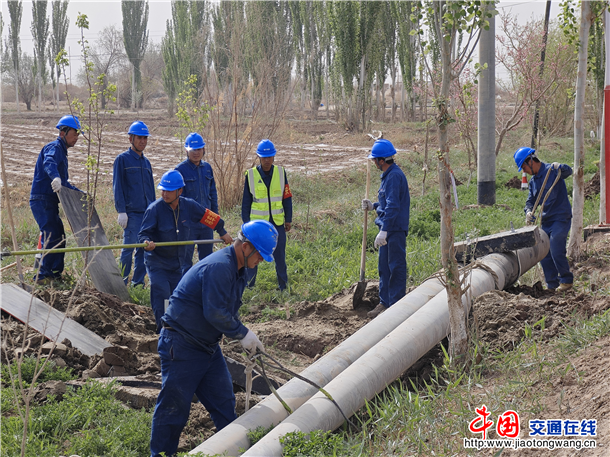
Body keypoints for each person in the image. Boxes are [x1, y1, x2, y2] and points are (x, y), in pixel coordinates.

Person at [149, 220, 278, 457]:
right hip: (182, 344)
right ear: (246, 247)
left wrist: (243, 334)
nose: (261, 261)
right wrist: (242, 334)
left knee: (224, 403)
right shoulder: (219, 267)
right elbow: (215, 312)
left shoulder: (238, 270)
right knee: (174, 408)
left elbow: (227, 310)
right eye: (260, 255)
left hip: (206, 346)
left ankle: (234, 451)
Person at [139, 170, 233, 333]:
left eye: (169, 191)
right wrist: (146, 243)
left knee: (177, 296)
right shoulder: (154, 209)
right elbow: (143, 234)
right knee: (162, 293)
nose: (165, 194)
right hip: (157, 262)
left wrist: (222, 231)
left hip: (178, 263)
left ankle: (175, 328)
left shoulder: (189, 206)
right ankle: (162, 330)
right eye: (163, 190)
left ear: (180, 191)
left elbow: (208, 216)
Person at [29, 115, 82, 285]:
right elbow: (49, 163)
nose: (77, 137)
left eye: (78, 134)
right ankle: (42, 276)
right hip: (41, 199)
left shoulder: (62, 153)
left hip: (50, 202)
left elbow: (64, 184)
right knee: (51, 234)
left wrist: (81, 194)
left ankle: (55, 274)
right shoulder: (54, 147)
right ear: (63, 132)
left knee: (59, 235)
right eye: (74, 133)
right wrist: (55, 177)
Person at [361, 139, 410, 319]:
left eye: (375, 159)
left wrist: (385, 230)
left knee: (395, 267)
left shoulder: (394, 176)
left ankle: (396, 305)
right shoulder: (388, 175)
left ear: (382, 160)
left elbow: (393, 206)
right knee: (384, 267)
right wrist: (373, 206)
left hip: (394, 230)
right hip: (388, 228)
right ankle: (384, 302)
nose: (374, 162)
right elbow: (387, 202)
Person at [514, 147, 574, 292]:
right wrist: (528, 211)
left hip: (560, 217)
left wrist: (561, 166)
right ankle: (552, 285)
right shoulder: (533, 182)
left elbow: (568, 172)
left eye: (524, 167)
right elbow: (530, 201)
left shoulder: (552, 171)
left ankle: (566, 281)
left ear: (530, 161)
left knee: (555, 247)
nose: (524, 171)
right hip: (546, 221)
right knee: (544, 253)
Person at [241, 139, 292, 291]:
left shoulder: (281, 173)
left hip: (277, 222)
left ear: (274, 157)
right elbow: (246, 202)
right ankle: (249, 286)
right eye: (264, 157)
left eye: (269, 157)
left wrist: (288, 219)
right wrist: (246, 224)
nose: (267, 160)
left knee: (280, 256)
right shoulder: (251, 175)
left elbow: (287, 198)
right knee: (252, 255)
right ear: (259, 157)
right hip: (257, 225)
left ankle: (283, 286)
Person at [112, 120, 156, 287]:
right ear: (131, 139)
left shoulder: (146, 163)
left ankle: (137, 283)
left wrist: (154, 211)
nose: (143, 141)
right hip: (131, 214)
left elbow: (151, 190)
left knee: (143, 250)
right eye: (139, 138)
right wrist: (121, 210)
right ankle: (121, 284)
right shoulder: (122, 160)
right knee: (128, 249)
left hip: (146, 214)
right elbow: (118, 187)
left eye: (145, 138)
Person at [175, 132, 219, 266]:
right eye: (193, 150)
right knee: (185, 260)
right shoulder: (180, 170)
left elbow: (213, 193)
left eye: (199, 149)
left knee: (207, 260)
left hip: (207, 220)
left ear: (203, 149)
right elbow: (177, 199)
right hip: (188, 222)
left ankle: (204, 279)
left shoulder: (207, 168)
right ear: (186, 151)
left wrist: (215, 217)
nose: (196, 153)